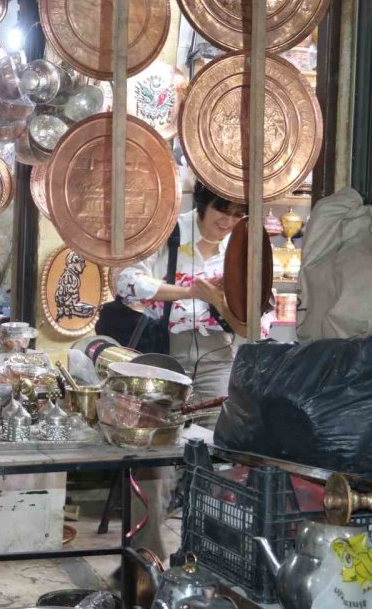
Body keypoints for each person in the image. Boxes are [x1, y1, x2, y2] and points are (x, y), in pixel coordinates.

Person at [113, 182, 269, 563]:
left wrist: (221, 300)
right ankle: (146, 559)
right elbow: (126, 283)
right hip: (166, 357)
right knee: (155, 461)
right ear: (202, 202)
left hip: (218, 355)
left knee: (222, 455)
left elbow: (257, 320)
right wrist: (188, 293)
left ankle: (206, 556)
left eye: (237, 214)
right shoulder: (171, 232)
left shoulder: (242, 247)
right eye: (222, 209)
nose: (228, 220)